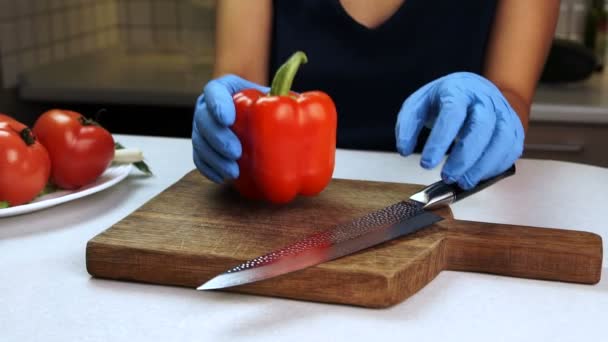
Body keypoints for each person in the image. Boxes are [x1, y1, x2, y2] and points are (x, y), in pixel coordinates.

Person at [192, 0, 559, 190]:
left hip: (452, 194)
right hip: (289, 202)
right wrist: (227, 117)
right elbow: (239, 76)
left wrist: (494, 107)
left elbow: (511, 94)